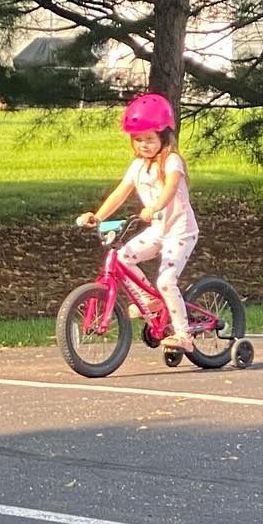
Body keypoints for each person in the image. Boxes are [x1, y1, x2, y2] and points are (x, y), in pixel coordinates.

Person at [78, 93, 198, 350]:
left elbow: (170, 189)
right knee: (122, 257)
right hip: (157, 230)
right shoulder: (137, 166)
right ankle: (148, 300)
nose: (144, 144)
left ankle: (184, 335)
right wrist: (98, 216)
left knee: (166, 281)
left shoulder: (172, 161)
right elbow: (120, 193)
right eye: (138, 140)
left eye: (150, 139)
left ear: (163, 136)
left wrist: (155, 207)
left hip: (180, 231)